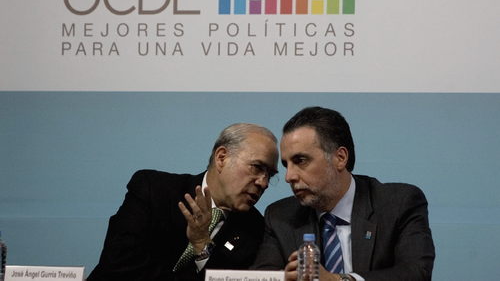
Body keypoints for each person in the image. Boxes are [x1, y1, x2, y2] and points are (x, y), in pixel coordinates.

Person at [252, 107, 435, 281]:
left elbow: (416, 273)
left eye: (301, 160)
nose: (289, 176)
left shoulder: (398, 203)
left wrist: (337, 279)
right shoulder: (280, 217)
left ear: (340, 158)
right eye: (287, 165)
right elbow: (263, 275)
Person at [87, 123, 279, 281]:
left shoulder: (256, 230)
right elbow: (118, 263)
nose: (263, 183)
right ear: (222, 158)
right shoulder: (153, 189)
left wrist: (202, 245)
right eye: (257, 167)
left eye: (270, 175)